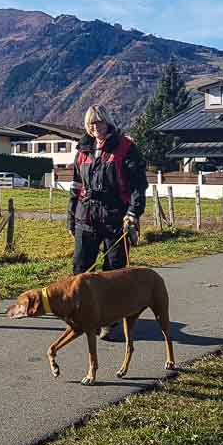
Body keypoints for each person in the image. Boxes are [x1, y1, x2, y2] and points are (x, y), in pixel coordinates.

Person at [67, 104, 149, 340]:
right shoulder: (82, 150)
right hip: (86, 217)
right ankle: (82, 315)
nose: (96, 127)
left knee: (113, 272)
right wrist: (71, 217)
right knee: (81, 269)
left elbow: (137, 186)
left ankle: (110, 321)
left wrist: (133, 213)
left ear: (108, 122)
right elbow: (76, 186)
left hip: (115, 217)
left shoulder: (126, 147)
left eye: (100, 122)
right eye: (92, 123)